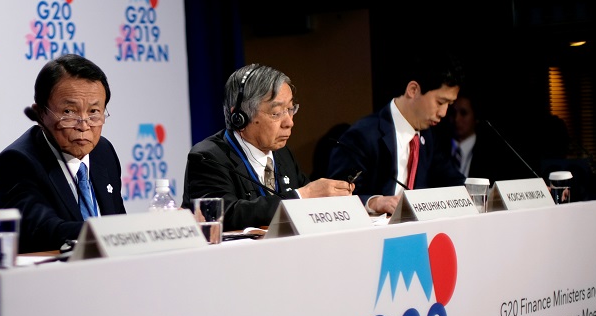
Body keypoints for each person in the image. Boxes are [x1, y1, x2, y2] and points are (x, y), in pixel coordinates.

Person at [181, 63, 354, 230]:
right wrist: (303, 196)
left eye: (291, 109)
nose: (289, 122)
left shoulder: (283, 155)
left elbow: (311, 204)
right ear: (239, 117)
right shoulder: (207, 157)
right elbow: (223, 215)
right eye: (276, 113)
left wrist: (356, 201)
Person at [0, 54, 126, 253]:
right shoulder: (16, 162)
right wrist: (122, 231)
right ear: (40, 114)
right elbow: (45, 232)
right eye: (68, 112)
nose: (84, 126)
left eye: (94, 112)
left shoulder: (103, 152)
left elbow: (117, 221)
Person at [327, 51, 466, 216]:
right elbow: (334, 197)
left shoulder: (428, 137)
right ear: (413, 90)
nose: (443, 112)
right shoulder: (363, 136)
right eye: (440, 102)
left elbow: (452, 180)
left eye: (449, 104)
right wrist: (374, 202)